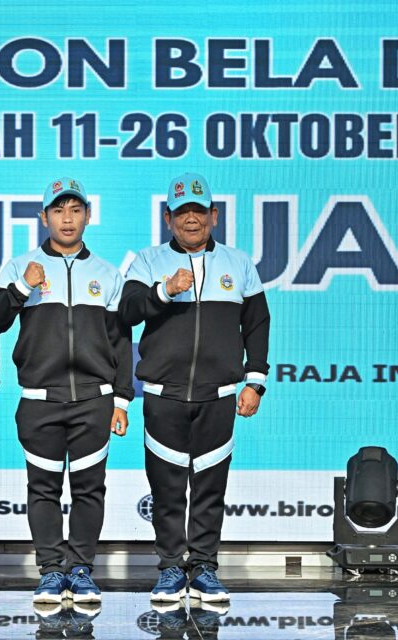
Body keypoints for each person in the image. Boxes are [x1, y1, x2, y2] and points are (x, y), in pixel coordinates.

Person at [120, 172, 270, 603]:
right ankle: (170, 567)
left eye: (199, 211)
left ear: (213, 216)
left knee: (210, 488)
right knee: (167, 489)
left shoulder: (239, 263)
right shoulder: (148, 261)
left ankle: (203, 566)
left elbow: (257, 324)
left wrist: (255, 381)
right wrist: (165, 291)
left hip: (219, 396)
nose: (191, 219)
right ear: (168, 218)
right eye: (182, 211)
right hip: (163, 395)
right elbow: (127, 311)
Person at [0, 177, 133, 604]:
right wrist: (20, 287)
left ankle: (82, 569)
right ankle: (51, 570)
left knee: (89, 489)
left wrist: (121, 399)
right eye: (58, 210)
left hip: (94, 400)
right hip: (39, 401)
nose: (67, 219)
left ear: (88, 216)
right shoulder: (20, 266)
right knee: (43, 489)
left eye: (75, 210)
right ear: (43, 217)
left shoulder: (107, 274)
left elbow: (121, 341)